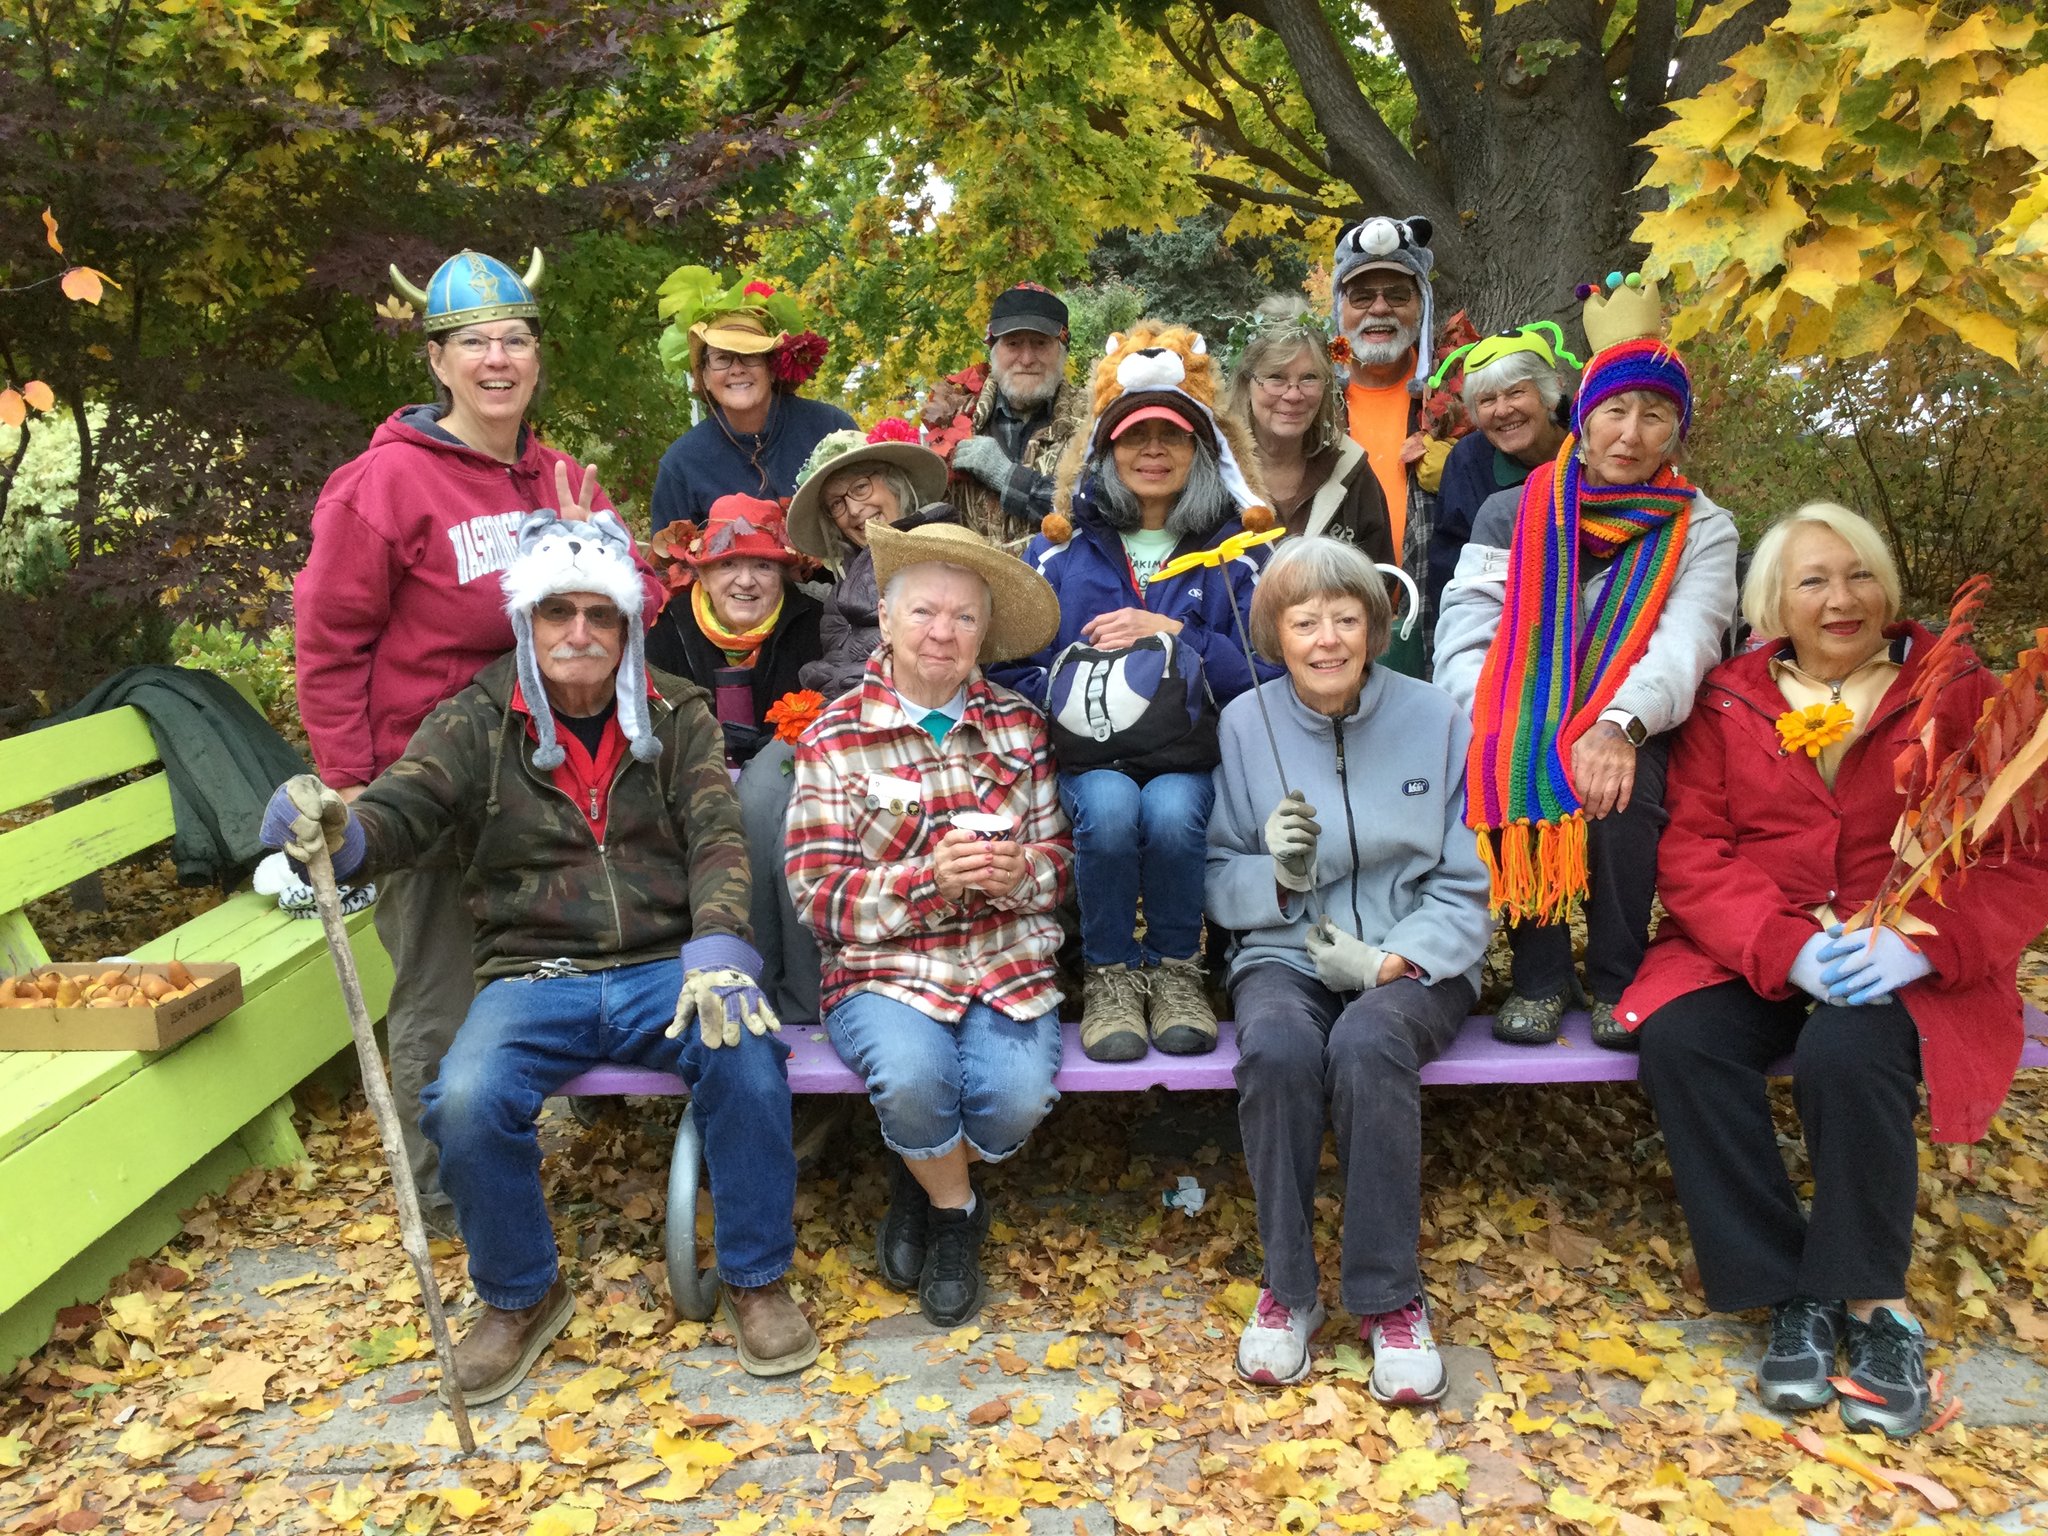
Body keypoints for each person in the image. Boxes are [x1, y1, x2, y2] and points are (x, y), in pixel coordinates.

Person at [263, 509, 816, 1399]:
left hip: (668, 969)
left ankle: (757, 1280)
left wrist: (718, 949)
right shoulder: (476, 718)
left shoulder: (678, 715)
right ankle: (522, 1293)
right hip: (532, 973)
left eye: (602, 615)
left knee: (746, 1054)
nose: (580, 633)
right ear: (526, 621)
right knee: (468, 1096)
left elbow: (719, 837)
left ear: (630, 625)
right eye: (558, 613)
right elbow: (404, 809)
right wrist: (343, 831)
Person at [1621, 504, 2048, 1439]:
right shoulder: (1731, 696)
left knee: (1848, 1059)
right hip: (1760, 941)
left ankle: (1869, 1301)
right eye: (1813, 581)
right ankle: (1788, 1294)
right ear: (1776, 601)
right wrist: (1790, 948)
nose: (1840, 599)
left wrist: (1916, 943)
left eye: (1857, 575)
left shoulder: (1959, 691)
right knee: (1686, 1042)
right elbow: (1694, 849)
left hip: (1903, 953)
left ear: (1885, 586)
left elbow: (2019, 856)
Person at [295, 245, 661, 1236]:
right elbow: (328, 644)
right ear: (438, 361)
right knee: (441, 992)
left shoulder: (562, 477)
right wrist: (357, 796)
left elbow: (645, 606)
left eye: (514, 340)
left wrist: (609, 550)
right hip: (429, 787)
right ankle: (453, 1198)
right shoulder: (381, 488)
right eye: (473, 343)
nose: (496, 359)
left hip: (550, 778)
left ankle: (563, 1134)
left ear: (536, 357)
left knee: (559, 964)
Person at [1206, 538, 1490, 1399]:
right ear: (1275, 633)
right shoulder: (1244, 723)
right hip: (1286, 951)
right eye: (1304, 621)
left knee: (1368, 1047)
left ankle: (1388, 1297)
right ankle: (1289, 1290)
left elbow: (1468, 879)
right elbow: (1219, 878)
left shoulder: (1437, 716)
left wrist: (1394, 959)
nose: (1326, 639)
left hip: (1413, 955)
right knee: (1282, 1049)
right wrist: (1282, 878)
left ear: (1375, 626)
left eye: (1345, 617)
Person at [1435, 278, 1737, 1050]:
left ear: (1678, 432)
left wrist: (1617, 723)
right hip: (1523, 702)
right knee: (1514, 758)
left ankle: (1615, 975)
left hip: (1638, 711)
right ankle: (1538, 975)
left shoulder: (1701, 526)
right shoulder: (1517, 509)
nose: (1630, 434)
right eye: (1615, 412)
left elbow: (1689, 637)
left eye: (1655, 416)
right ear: (1587, 416)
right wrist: (1493, 714)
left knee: (1622, 796)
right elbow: (1469, 623)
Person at [786, 520, 1068, 1328]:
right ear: (888, 617)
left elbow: (1058, 866)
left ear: (985, 631)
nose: (943, 632)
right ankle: (955, 1216)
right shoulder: (835, 737)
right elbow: (818, 894)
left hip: (1007, 960)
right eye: (924, 613)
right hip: (885, 970)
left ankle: (922, 1176)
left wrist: (1023, 873)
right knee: (913, 1080)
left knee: (1013, 1100)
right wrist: (926, 881)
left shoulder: (1018, 725)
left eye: (964, 617)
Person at [995, 321, 1277, 1063]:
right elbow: (1011, 664)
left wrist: (1176, 636)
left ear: (1201, 452)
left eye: (1173, 438)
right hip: (1090, 756)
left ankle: (1179, 969)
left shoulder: (1239, 558)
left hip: (1189, 751)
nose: (1153, 452)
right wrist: (1068, 681)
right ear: (1107, 452)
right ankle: (1112, 975)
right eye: (1134, 439)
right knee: (1115, 811)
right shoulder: (1058, 555)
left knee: (1176, 808)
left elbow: (1268, 673)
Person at [1328, 216, 1455, 674]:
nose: (1379, 309)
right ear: (1339, 307)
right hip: (1328, 635)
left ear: (1421, 304)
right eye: (1361, 295)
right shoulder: (1308, 400)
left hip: (1434, 633)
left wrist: (1457, 464)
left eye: (1397, 294)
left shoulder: (1460, 396)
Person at [648, 268, 855, 537]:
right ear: (704, 377)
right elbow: (667, 565)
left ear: (771, 368)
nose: (737, 369)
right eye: (722, 358)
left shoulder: (829, 427)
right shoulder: (682, 464)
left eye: (750, 355)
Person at [645, 494, 824, 768]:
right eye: (727, 564)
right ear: (702, 575)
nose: (745, 581)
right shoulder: (666, 628)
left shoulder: (814, 625)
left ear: (782, 577)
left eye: (763, 566)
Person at [1222, 295, 1395, 561]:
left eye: (1309, 378)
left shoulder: (1350, 472)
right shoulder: (1216, 470)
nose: (1293, 395)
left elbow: (1379, 583)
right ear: (1246, 383)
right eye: (1276, 378)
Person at [1428, 323, 1579, 617]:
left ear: (1549, 393)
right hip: (1502, 626)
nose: (1502, 410)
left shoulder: (1593, 442)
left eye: (1515, 392)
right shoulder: (1468, 462)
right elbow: (1449, 571)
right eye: (1486, 400)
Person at [944, 283, 1088, 549]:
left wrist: (1008, 477)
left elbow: (1103, 508)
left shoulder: (1094, 420)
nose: (1026, 358)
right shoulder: (951, 417)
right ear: (993, 349)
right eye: (1013, 343)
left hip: (1060, 587)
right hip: (971, 585)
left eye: (1040, 343)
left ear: (1063, 349)